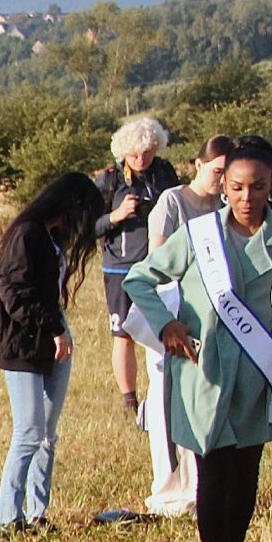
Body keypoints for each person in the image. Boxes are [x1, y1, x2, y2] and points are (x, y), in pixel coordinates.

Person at [125, 136, 272, 542]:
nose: (246, 197)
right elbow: (139, 278)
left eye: (257, 186)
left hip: (257, 380)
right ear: (223, 185)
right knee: (213, 479)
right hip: (204, 376)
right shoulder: (200, 236)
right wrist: (166, 324)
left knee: (245, 481)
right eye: (236, 186)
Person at [0, 173, 105, 538]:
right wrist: (53, 328)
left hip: (53, 336)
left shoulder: (53, 238)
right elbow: (15, 292)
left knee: (47, 434)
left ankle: (38, 513)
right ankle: (7, 519)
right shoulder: (26, 234)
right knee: (29, 430)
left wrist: (59, 329)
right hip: (23, 342)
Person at [135, 136, 235, 519]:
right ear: (198, 165)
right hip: (170, 315)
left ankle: (200, 486)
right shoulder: (172, 202)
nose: (221, 179)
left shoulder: (222, 205)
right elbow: (157, 261)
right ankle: (168, 488)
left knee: (202, 400)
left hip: (209, 318)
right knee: (165, 399)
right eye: (217, 172)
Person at [94, 117, 179, 423]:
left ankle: (165, 390)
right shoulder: (110, 179)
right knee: (123, 334)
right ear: (123, 152)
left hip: (160, 267)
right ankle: (129, 400)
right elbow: (87, 226)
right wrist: (117, 215)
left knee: (163, 329)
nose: (141, 159)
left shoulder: (165, 174)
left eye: (148, 152)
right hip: (120, 268)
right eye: (134, 154)